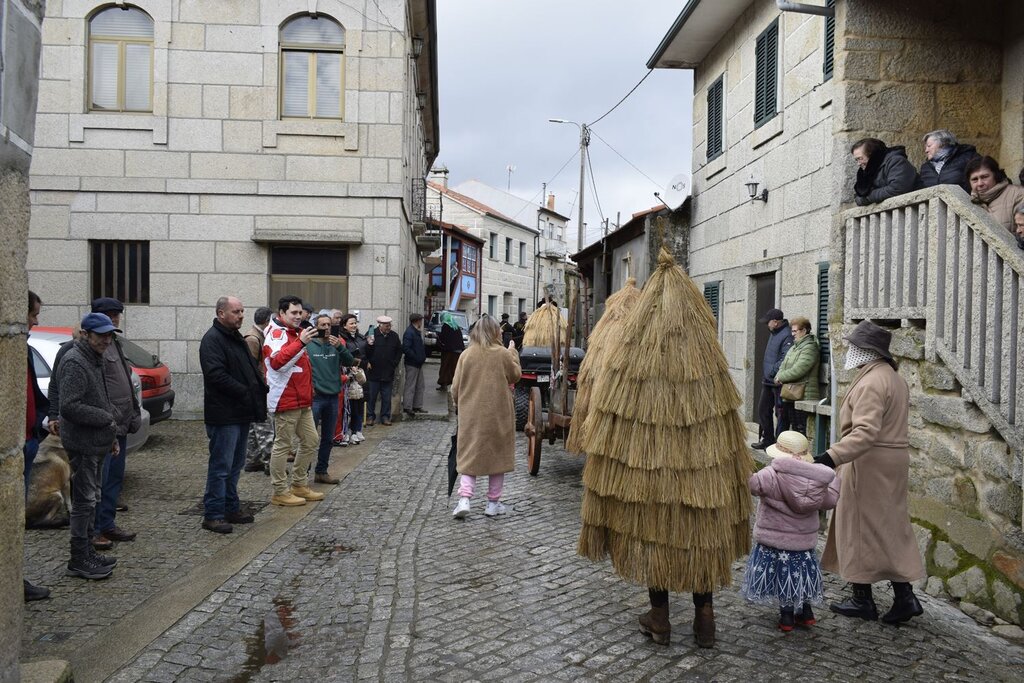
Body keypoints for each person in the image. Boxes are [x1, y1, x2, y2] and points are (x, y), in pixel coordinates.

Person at [816, 320, 926, 624]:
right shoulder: (893, 378)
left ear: (866, 351)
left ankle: (864, 599)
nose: (849, 350)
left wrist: (830, 456)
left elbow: (864, 433)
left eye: (854, 346)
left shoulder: (871, 381)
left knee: (859, 526)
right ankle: (903, 596)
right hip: (891, 462)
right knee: (887, 527)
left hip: (868, 464)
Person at [741, 431, 840, 631]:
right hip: (803, 544)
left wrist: (742, 467)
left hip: (774, 540)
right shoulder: (816, 483)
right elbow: (830, 501)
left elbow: (751, 485)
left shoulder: (770, 475)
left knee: (782, 577)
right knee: (800, 576)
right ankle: (806, 612)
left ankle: (786, 617)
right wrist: (837, 483)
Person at [58, 312, 121, 580]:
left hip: (97, 441)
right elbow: (69, 406)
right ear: (86, 334)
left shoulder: (94, 358)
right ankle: (79, 557)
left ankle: (87, 552)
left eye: (109, 335)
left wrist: (111, 436)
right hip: (82, 444)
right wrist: (106, 419)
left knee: (92, 498)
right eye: (101, 335)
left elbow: (101, 398)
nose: (106, 340)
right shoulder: (75, 361)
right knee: (84, 502)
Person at [199, 297, 268, 533]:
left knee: (235, 464)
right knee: (221, 466)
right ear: (221, 313)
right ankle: (213, 514)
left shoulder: (234, 336)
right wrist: (246, 391)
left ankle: (230, 507)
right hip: (224, 414)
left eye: (242, 311)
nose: (240, 315)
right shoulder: (212, 339)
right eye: (236, 311)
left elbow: (248, 368)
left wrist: (258, 388)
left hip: (240, 412)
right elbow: (216, 375)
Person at [450, 316, 521, 519]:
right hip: (499, 414)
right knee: (497, 457)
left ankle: (465, 499)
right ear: (496, 332)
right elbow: (515, 375)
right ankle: (492, 503)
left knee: (469, 454)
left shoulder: (466, 355)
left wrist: (459, 405)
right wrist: (513, 352)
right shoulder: (502, 354)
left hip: (472, 413)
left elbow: (455, 387)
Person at [88, 297, 142, 550]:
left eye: (117, 315)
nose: (114, 319)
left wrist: (132, 412)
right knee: (99, 481)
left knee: (114, 479)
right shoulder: (92, 347)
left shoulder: (114, 343)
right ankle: (95, 530)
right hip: (104, 426)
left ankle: (107, 523)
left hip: (120, 424)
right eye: (109, 315)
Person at [264, 296, 325, 507]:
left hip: (301, 399)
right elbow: (278, 362)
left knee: (310, 440)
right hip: (285, 398)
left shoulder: (295, 333)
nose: (299, 316)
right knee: (283, 445)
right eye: (294, 313)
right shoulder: (277, 333)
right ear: (282, 314)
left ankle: (299, 484)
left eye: (300, 313)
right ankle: (280, 490)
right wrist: (301, 342)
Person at [23, 291, 51, 600]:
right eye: (33, 313)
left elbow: (35, 396)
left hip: (29, 441)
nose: (36, 320)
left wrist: (45, 420)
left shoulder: (26, 349)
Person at [307, 313, 355, 484]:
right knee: (309, 439)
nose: (326, 328)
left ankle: (321, 471)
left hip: (333, 397)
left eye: (329, 325)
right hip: (316, 398)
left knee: (328, 438)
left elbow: (350, 362)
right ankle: (303, 474)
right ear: (316, 327)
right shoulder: (309, 346)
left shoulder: (337, 343)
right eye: (322, 325)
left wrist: (341, 347)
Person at [751, 308, 792, 450]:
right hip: (768, 381)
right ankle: (767, 439)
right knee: (763, 410)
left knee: (780, 414)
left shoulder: (787, 335)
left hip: (778, 382)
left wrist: (773, 372)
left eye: (768, 322)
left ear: (775, 322)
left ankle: (778, 445)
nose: (766, 325)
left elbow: (785, 358)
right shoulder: (774, 333)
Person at [773, 316, 820, 436]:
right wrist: (778, 376)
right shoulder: (795, 347)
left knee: (801, 430)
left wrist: (781, 377)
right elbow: (783, 365)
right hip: (791, 394)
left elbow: (799, 369)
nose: (792, 334)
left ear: (804, 331)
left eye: (795, 331)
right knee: (793, 429)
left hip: (803, 394)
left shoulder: (810, 347)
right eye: (792, 331)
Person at [243, 306, 274, 474]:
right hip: (256, 390)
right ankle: (271, 463)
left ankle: (253, 460)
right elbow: (252, 368)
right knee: (264, 426)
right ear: (266, 321)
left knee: (254, 427)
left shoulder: (257, 337)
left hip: (256, 389)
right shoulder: (253, 339)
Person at [851, 137, 921, 206]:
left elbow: (897, 188)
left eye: (860, 158)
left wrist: (868, 197)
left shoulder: (896, 161)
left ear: (872, 154)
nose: (859, 163)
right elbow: (858, 197)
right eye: (856, 160)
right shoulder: (866, 172)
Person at [967, 155, 1024, 234]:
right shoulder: (969, 202)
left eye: (984, 177)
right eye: (974, 179)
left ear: (996, 176)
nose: (980, 183)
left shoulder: (1018, 195)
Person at [365, 315, 402, 426]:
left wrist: (394, 364)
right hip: (374, 371)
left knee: (386, 397)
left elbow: (399, 351)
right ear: (380, 325)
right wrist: (368, 361)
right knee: (372, 396)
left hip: (388, 371)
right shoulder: (371, 335)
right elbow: (365, 351)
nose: (388, 327)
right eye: (386, 326)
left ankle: (385, 416)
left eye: (389, 325)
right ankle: (370, 416)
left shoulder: (394, 336)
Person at [337, 313, 367, 445]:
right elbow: (344, 356)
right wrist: (352, 364)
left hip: (359, 373)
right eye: (351, 323)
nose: (354, 325)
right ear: (344, 325)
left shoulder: (360, 337)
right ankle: (349, 431)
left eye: (355, 323)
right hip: (348, 373)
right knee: (349, 406)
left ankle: (357, 429)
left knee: (359, 402)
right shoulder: (342, 339)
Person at [918, 129, 979, 194]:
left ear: (943, 144)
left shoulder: (968, 157)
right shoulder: (925, 167)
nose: (926, 150)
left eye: (929, 146)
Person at [402, 313, 427, 417]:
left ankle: (417, 405)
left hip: (418, 363)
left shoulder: (415, 331)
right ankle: (408, 406)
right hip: (412, 363)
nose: (421, 322)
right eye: (420, 320)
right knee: (410, 385)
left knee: (420, 385)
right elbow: (406, 348)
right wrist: (416, 357)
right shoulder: (409, 332)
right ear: (417, 321)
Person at [436, 311, 464, 391]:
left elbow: (444, 338)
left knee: (445, 367)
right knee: (454, 368)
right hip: (457, 351)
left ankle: (443, 384)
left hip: (448, 351)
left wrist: (439, 339)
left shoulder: (446, 326)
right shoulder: (456, 326)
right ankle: (455, 384)